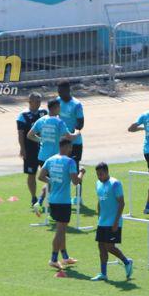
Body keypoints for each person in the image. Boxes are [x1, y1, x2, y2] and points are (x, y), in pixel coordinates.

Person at [39, 139, 85, 270]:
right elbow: (75, 182)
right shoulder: (70, 162)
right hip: (63, 201)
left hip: (53, 200)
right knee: (60, 231)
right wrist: (82, 172)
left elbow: (40, 176)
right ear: (66, 147)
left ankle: (65, 257)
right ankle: (53, 259)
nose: (71, 150)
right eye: (70, 147)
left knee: (62, 229)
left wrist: (52, 182)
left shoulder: (50, 160)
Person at [28, 98, 76, 213]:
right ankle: (51, 207)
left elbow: (30, 135)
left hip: (42, 157)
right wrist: (77, 133)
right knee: (56, 182)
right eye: (59, 107)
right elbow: (69, 137)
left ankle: (40, 203)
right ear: (55, 108)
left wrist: (41, 140)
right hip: (55, 158)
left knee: (52, 182)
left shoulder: (41, 120)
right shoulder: (59, 122)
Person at [91, 162, 133, 282]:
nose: (99, 177)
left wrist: (116, 222)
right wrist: (99, 217)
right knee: (101, 246)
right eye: (98, 174)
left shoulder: (115, 184)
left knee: (109, 247)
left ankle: (127, 262)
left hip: (113, 221)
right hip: (102, 222)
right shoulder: (98, 184)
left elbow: (121, 203)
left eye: (101, 174)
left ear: (107, 172)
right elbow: (100, 201)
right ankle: (103, 273)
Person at [16, 92, 47, 209]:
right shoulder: (23, 116)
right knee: (31, 174)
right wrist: (22, 149)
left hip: (45, 149)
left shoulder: (44, 113)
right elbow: (21, 134)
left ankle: (44, 197)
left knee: (49, 174)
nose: (38, 103)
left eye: (39, 101)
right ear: (29, 102)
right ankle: (34, 197)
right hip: (30, 150)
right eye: (36, 101)